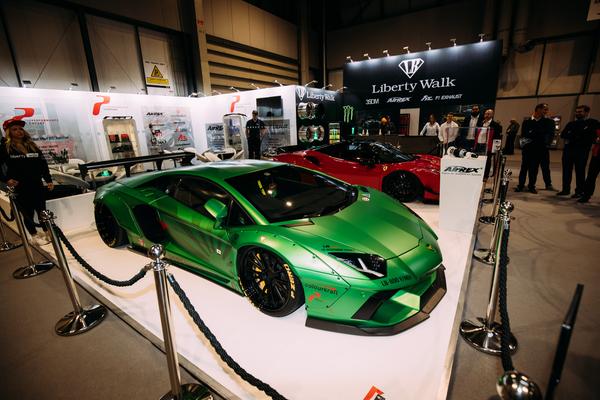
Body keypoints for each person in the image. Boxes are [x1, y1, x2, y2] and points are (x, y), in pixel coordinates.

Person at [1, 119, 54, 244]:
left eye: (20, 129)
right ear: (8, 132)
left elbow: (43, 164)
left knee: (42, 210)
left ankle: (47, 232)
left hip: (37, 184)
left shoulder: (32, 146)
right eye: (15, 129)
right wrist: (6, 180)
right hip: (20, 186)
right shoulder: (5, 148)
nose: (19, 131)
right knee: (28, 213)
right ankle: (34, 236)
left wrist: (48, 180)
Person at [557, 105, 598, 197]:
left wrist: (573, 135)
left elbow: (590, 137)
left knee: (580, 172)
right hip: (568, 151)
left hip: (582, 152)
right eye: (577, 111)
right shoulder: (571, 124)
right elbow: (563, 134)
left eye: (580, 112)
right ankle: (565, 189)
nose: (578, 113)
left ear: (587, 112)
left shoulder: (592, 123)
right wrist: (578, 136)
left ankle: (579, 191)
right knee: (566, 171)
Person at [515, 104, 556, 194]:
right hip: (527, 149)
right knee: (524, 168)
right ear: (538, 109)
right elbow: (524, 135)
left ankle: (531, 186)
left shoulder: (547, 122)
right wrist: (524, 146)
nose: (546, 112)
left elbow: (547, 135)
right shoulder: (527, 122)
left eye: (546, 110)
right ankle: (520, 185)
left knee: (534, 168)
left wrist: (543, 141)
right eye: (544, 109)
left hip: (539, 149)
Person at [476, 109, 502, 177]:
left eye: (488, 114)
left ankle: (485, 176)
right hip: (479, 144)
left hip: (488, 146)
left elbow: (497, 138)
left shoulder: (495, 125)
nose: (486, 115)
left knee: (487, 162)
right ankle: (479, 173)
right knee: (479, 160)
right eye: (486, 114)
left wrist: (495, 149)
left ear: (492, 115)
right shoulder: (481, 123)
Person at [578, 125, 600, 203]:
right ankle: (586, 195)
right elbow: (591, 138)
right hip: (596, 155)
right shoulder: (597, 127)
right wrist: (595, 140)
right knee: (591, 176)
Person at [539, 103, 556, 190]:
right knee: (530, 167)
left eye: (546, 110)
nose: (544, 111)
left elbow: (552, 134)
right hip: (533, 147)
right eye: (543, 109)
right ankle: (529, 184)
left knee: (545, 167)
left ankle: (548, 184)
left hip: (544, 148)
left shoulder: (550, 122)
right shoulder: (535, 120)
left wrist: (547, 144)